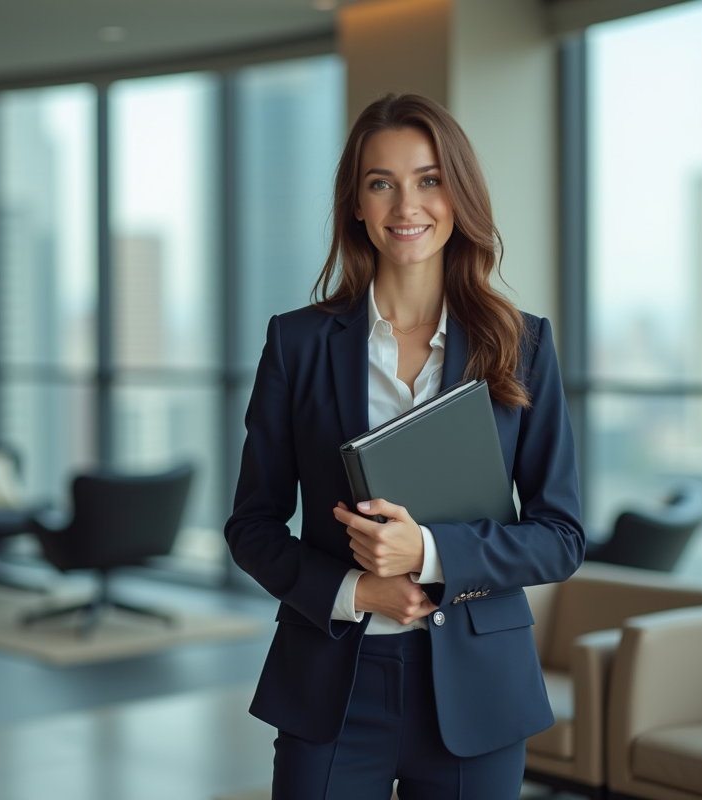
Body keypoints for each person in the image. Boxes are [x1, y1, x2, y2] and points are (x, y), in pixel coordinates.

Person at [224, 93, 584, 800]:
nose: (405, 204)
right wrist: (356, 588)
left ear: (459, 193)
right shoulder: (296, 344)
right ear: (356, 204)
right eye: (380, 182)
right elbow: (252, 526)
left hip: (477, 690)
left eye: (428, 179)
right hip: (332, 690)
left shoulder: (523, 344)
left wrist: (427, 552)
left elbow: (561, 536)